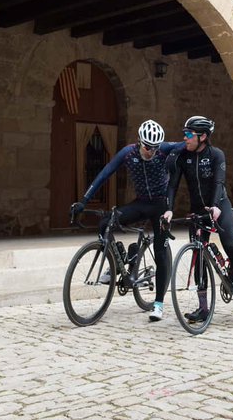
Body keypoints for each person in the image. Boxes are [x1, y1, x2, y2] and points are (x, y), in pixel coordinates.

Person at [70, 119, 174, 322]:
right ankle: (118, 259)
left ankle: (159, 304)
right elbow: (104, 174)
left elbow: (190, 147)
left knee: (161, 253)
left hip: (161, 205)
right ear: (139, 142)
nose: (150, 152)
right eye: (147, 147)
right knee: (104, 223)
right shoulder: (128, 153)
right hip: (141, 202)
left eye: (154, 148)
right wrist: (84, 200)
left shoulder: (164, 150)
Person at [160, 115, 233, 322]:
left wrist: (214, 206)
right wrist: (169, 209)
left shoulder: (216, 155)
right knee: (198, 257)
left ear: (202, 137)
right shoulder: (183, 156)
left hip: (220, 206)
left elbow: (219, 182)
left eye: (188, 134)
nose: (184, 138)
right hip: (198, 211)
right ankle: (203, 308)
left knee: (229, 243)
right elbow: (173, 185)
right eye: (184, 134)